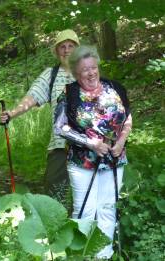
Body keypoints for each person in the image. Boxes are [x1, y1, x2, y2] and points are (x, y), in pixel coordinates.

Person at [54, 45, 132, 259]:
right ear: (76, 74)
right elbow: (60, 128)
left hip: (114, 160)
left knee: (107, 209)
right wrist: (91, 143)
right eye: (84, 70)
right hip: (83, 163)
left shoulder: (114, 88)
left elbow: (127, 117)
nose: (91, 73)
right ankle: (82, 255)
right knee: (85, 211)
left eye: (93, 68)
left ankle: (104, 255)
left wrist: (120, 143)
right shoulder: (69, 93)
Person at [0, 29, 80, 201]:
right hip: (59, 144)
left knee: (83, 193)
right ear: (57, 51)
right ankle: (54, 225)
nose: (66, 50)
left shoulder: (87, 71)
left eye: (71, 46)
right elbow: (32, 96)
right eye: (62, 47)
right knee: (53, 189)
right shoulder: (50, 75)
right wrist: (12, 114)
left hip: (87, 144)